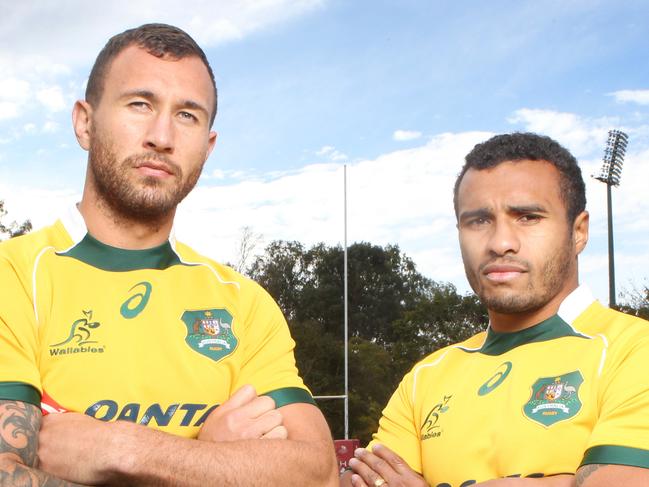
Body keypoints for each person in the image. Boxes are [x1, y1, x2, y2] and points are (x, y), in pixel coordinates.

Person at [0, 23, 336, 486]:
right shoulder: (13, 275)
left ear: (208, 146)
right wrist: (211, 464)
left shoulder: (244, 304)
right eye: (140, 104)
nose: (162, 136)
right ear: (84, 121)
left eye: (187, 116)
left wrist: (125, 452)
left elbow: (317, 474)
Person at [342, 133, 649, 487]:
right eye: (479, 221)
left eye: (528, 217)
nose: (501, 242)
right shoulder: (425, 378)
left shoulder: (634, 352)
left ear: (578, 231)